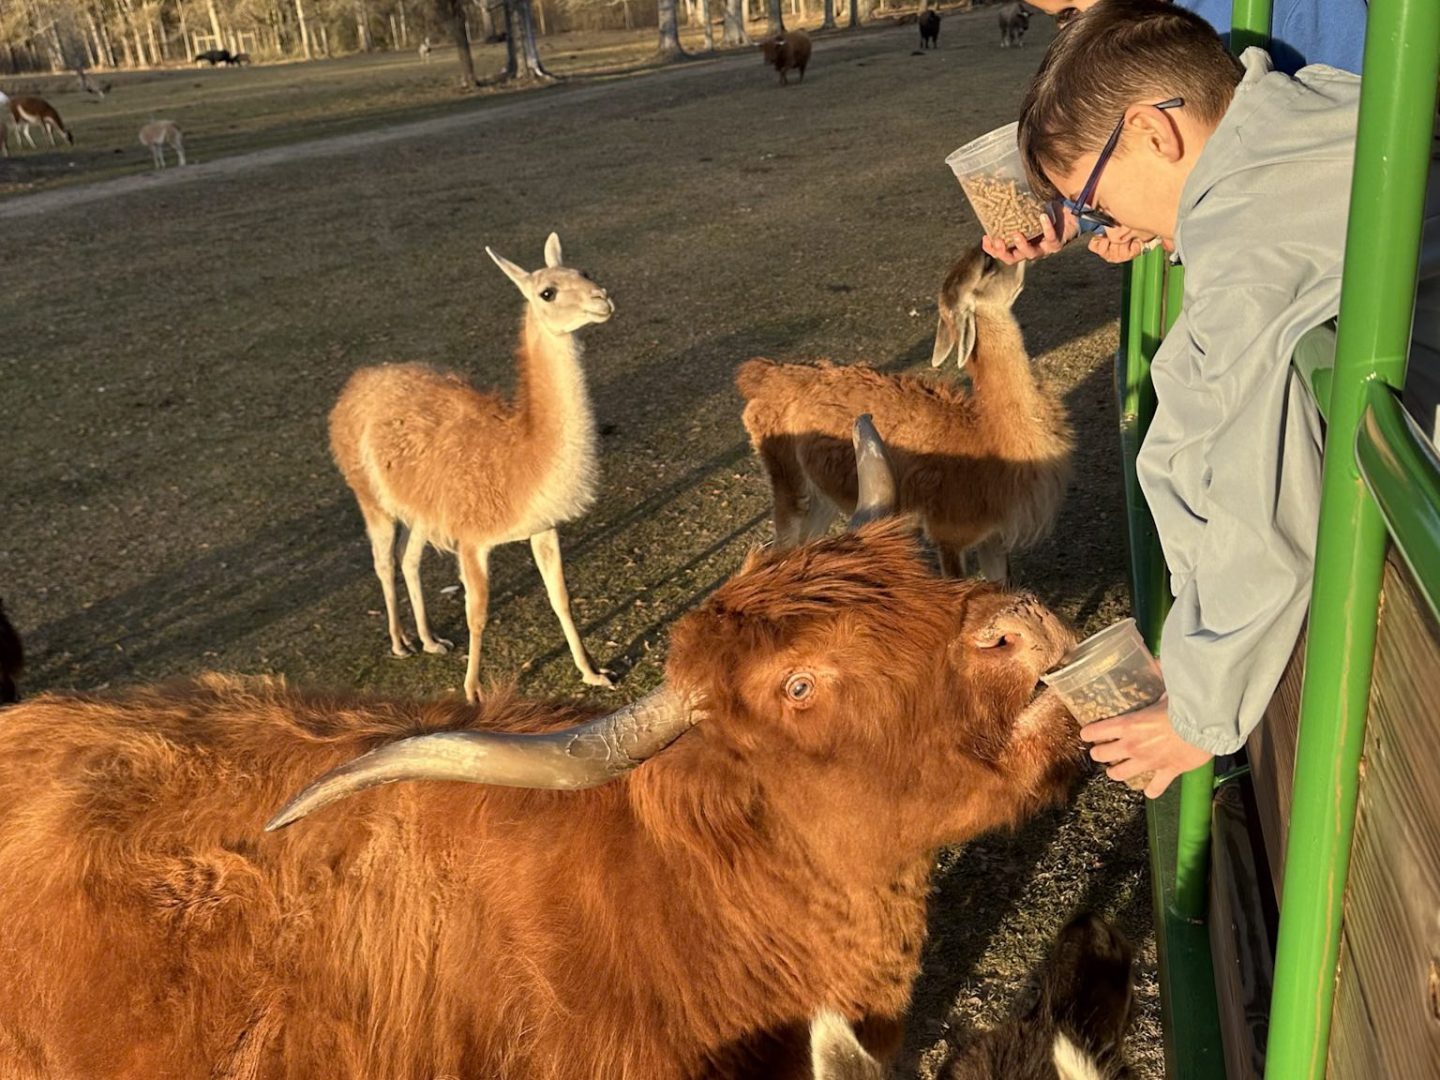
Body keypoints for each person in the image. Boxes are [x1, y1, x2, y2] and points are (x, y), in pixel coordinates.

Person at [1012, 0, 1365, 796]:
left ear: (1151, 133)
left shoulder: (1251, 239)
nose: (1108, 226)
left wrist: (1197, 717)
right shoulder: (1293, 118)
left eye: (1097, 201)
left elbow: (1260, 490)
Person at [981, 0, 1366, 265]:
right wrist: (1084, 214)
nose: (1076, 32)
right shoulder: (1142, 29)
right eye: (1060, 18)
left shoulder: (1303, 9)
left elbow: (1360, 139)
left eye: (1070, 12)